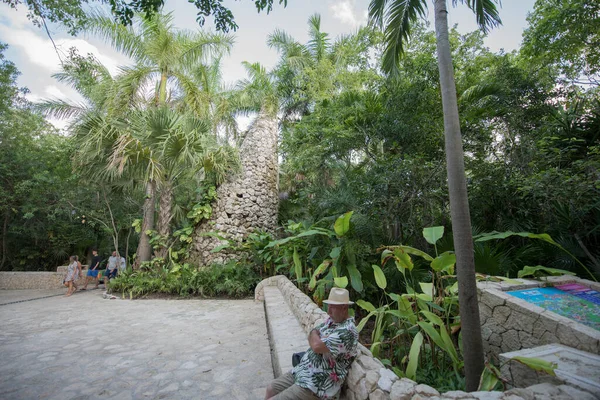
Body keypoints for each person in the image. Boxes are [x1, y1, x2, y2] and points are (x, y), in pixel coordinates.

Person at [265, 288, 359, 400]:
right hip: (302, 371)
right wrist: (315, 335)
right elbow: (313, 332)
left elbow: (316, 346)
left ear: (344, 308)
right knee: (271, 388)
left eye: (333, 307)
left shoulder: (347, 332)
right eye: (329, 306)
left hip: (316, 385)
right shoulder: (332, 321)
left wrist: (315, 336)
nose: (328, 312)